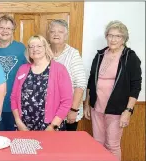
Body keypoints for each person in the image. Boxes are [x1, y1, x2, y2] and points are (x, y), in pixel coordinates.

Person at [84, 20, 142, 160]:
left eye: (118, 36)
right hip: (97, 107)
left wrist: (128, 111)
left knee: (112, 145)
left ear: (124, 39)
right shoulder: (100, 55)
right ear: (106, 36)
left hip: (117, 109)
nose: (113, 39)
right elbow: (91, 81)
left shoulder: (129, 57)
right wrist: (87, 104)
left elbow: (136, 86)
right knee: (97, 143)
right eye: (110, 35)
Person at [11, 35, 73, 131]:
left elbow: (66, 101)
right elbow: (14, 97)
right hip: (24, 126)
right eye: (31, 46)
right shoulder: (22, 69)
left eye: (39, 46)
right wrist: (18, 122)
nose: (35, 49)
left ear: (45, 48)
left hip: (50, 127)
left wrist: (53, 126)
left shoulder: (59, 69)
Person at [0, 15, 27, 131]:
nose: (4, 31)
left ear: (13, 31)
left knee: (11, 137)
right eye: (1, 27)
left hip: (13, 104)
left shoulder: (21, 48)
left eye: (8, 28)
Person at [47, 19, 87, 131]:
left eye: (60, 31)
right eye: (52, 31)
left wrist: (73, 110)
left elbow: (80, 84)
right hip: (47, 112)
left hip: (68, 112)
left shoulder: (73, 54)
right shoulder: (44, 52)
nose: (55, 34)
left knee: (66, 146)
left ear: (66, 36)